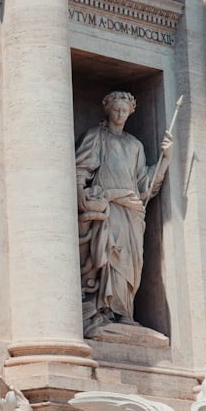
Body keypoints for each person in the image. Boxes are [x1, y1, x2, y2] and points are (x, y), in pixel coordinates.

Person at [75, 91, 172, 333]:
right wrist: (82, 198)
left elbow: (145, 185)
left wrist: (166, 159)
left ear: (130, 112)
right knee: (109, 258)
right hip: (109, 207)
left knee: (131, 263)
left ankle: (125, 312)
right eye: (116, 109)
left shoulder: (135, 145)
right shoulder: (96, 136)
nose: (120, 114)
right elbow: (80, 170)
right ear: (107, 110)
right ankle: (105, 311)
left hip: (132, 210)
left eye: (124, 110)